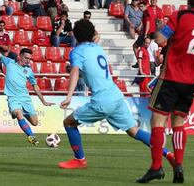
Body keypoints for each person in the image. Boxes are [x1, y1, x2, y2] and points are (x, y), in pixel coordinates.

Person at [56, 19, 176, 170]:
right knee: (134, 131)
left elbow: (74, 72)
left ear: (75, 35)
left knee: (69, 123)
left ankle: (79, 160)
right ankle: (168, 153)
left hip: (102, 100)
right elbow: (95, 41)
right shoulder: (97, 48)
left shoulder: (77, 52)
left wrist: (69, 96)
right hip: (117, 96)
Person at [137, 0, 194, 183]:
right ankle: (178, 165)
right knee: (179, 123)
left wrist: (162, 29)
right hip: (190, 81)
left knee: (158, 123)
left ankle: (156, 167)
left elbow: (160, 39)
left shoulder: (179, 16)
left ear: (188, 2)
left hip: (170, 77)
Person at [0, 40, 55, 145]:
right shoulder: (9, 62)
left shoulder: (29, 71)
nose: (28, 61)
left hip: (25, 98)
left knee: (35, 122)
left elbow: (35, 86)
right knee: (18, 113)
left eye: (30, 59)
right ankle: (31, 136)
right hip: (13, 97)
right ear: (20, 56)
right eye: (26, 58)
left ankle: (20, 115)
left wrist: (43, 101)